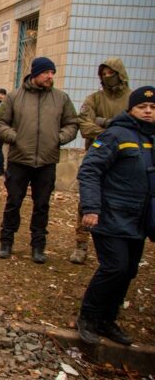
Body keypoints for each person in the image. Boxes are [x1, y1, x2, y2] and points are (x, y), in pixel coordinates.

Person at [75, 86, 155, 346]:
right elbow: (89, 170)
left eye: (153, 108)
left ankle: (108, 320)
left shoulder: (151, 139)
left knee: (129, 271)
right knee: (114, 267)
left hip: (139, 219)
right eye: (142, 107)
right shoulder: (116, 135)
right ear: (131, 109)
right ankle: (88, 317)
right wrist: (91, 208)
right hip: (111, 216)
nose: (148, 111)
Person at [0, 57, 79, 263]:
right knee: (13, 202)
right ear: (34, 73)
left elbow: (72, 124)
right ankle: (6, 243)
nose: (50, 76)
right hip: (19, 160)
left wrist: (59, 139)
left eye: (52, 73)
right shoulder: (14, 97)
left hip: (47, 162)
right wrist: (15, 138)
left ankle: (38, 246)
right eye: (46, 72)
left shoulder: (61, 98)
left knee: (42, 205)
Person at [70, 58, 132, 264]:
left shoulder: (133, 99)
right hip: (96, 156)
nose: (107, 77)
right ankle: (81, 244)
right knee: (87, 201)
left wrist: (103, 123)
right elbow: (85, 126)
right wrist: (116, 129)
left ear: (120, 73)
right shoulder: (94, 99)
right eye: (103, 74)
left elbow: (138, 127)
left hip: (126, 160)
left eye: (111, 73)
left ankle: (120, 244)